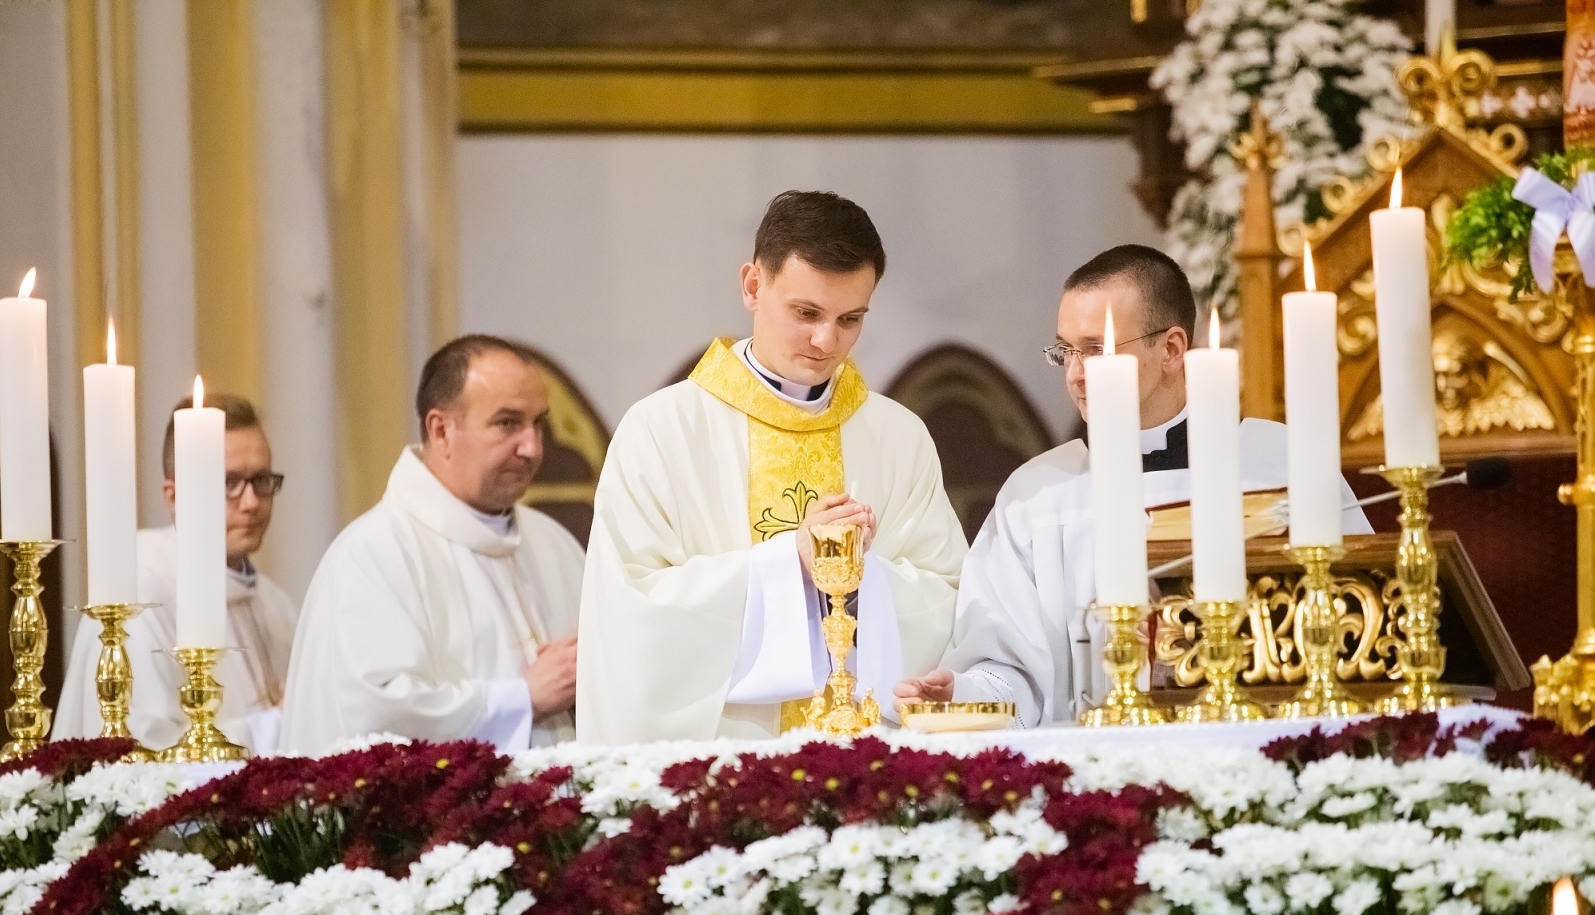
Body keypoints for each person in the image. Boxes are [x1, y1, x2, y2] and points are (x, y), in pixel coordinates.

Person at [895, 245, 1371, 727]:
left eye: (1096, 350)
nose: (1075, 374)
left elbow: (1366, 618)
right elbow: (1009, 668)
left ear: (1170, 350)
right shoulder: (1036, 495)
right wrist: (968, 695)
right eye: (1065, 351)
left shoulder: (1286, 464)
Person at [577, 190, 966, 742]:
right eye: (806, 313)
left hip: (868, 765)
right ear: (753, 286)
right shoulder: (661, 431)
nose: (827, 340)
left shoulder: (897, 435)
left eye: (850, 318)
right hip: (723, 768)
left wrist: (859, 578)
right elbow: (628, 618)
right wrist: (790, 564)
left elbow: (950, 598)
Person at [280, 335, 584, 755]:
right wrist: (522, 699)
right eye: (507, 423)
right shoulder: (375, 555)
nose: (532, 447)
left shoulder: (554, 544)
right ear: (441, 430)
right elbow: (377, 717)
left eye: (538, 424)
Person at [54, 394, 297, 754]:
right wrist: (278, 723)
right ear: (173, 496)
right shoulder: (138, 593)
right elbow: (142, 754)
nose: (251, 503)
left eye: (261, 479)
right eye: (229, 482)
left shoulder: (276, 606)